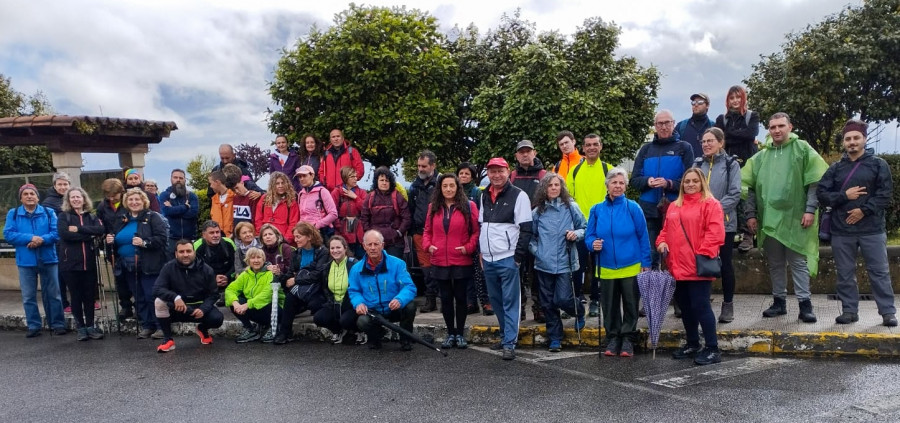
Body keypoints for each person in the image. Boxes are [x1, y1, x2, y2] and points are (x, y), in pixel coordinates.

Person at [743, 112, 828, 323]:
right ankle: (779, 302)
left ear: (790, 127)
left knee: (798, 261)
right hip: (769, 219)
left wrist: (810, 209)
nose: (777, 130)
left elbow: (814, 181)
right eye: (772, 127)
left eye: (781, 126)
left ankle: (804, 304)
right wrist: (751, 215)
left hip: (796, 218)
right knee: (775, 263)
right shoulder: (761, 157)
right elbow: (749, 187)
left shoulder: (803, 149)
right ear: (769, 131)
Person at [817, 119, 897, 326]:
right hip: (842, 230)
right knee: (845, 273)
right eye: (848, 139)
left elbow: (885, 194)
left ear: (864, 139)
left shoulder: (879, 165)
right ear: (843, 142)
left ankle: (888, 313)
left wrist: (863, 210)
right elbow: (822, 194)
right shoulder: (835, 169)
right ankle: (849, 311)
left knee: (879, 272)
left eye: (856, 138)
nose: (852, 142)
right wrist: (844, 195)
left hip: (872, 229)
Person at [656, 168, 725, 365]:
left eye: (695, 181)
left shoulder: (711, 204)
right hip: (676, 266)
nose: (691, 184)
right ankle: (693, 343)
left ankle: (713, 348)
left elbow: (715, 234)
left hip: (697, 266)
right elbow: (665, 230)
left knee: (701, 306)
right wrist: (661, 242)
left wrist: (700, 256)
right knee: (685, 308)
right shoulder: (674, 206)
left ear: (702, 182)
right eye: (687, 181)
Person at [585, 168, 651, 357]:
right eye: (614, 182)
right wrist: (592, 244)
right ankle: (613, 337)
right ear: (607, 185)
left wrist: (646, 262)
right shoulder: (596, 210)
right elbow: (589, 236)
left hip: (631, 264)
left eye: (621, 183)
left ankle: (628, 339)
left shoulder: (633, 208)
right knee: (609, 305)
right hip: (605, 266)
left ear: (626, 186)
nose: (618, 186)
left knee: (631, 305)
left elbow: (643, 236)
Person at [478, 157, 533, 361]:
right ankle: (504, 336)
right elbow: (482, 225)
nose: (496, 175)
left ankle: (510, 342)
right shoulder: (484, 195)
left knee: (511, 302)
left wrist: (517, 258)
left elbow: (526, 229)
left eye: (500, 171)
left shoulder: (519, 196)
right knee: (496, 302)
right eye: (492, 171)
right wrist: (482, 252)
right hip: (489, 259)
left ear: (508, 171)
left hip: (508, 258)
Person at [530, 173, 587, 352]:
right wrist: (537, 252)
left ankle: (578, 311)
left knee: (562, 298)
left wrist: (575, 234)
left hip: (566, 261)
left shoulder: (571, 207)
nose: (554, 188)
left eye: (557, 185)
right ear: (544, 189)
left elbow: (584, 227)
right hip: (543, 263)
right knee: (547, 303)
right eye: (550, 185)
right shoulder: (537, 212)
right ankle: (555, 338)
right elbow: (530, 237)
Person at [630, 110, 695, 268]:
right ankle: (652, 291)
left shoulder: (684, 148)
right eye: (660, 123)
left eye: (667, 123)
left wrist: (669, 184)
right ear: (655, 126)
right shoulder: (645, 150)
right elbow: (634, 181)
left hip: (675, 209)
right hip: (649, 210)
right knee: (651, 254)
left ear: (673, 124)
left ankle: (676, 291)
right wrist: (648, 182)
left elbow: (692, 183)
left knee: (675, 254)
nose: (664, 127)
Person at [423, 174, 480, 349]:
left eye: (452, 186)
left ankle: (460, 334)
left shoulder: (469, 206)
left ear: (457, 187)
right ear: (440, 188)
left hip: (461, 259)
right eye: (445, 186)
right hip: (440, 259)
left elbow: (476, 232)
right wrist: (428, 246)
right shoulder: (433, 207)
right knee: (446, 299)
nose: (448, 189)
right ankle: (450, 333)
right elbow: (427, 231)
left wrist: (468, 248)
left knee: (461, 298)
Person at [4, 184, 66, 338]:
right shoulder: (14, 214)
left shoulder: (48, 212)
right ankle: (33, 325)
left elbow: (57, 233)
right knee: (28, 296)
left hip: (48, 258)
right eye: (26, 194)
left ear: (38, 197)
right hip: (26, 261)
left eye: (32, 193)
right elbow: (9, 234)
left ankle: (57, 324)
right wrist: (30, 238)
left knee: (54, 294)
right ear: (21, 198)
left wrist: (41, 240)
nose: (29, 196)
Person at [106, 188, 168, 339]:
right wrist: (110, 241)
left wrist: (144, 242)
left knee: (151, 295)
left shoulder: (153, 217)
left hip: (149, 264)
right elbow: (116, 239)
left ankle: (161, 326)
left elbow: (162, 239)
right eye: (131, 200)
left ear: (143, 201)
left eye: (137, 200)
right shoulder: (122, 219)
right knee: (138, 296)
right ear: (126, 202)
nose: (134, 202)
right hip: (127, 266)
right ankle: (147, 325)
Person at [694, 128, 742, 323]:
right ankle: (702, 302)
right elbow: (690, 188)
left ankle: (728, 305)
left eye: (710, 141)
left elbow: (735, 193)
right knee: (702, 263)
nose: (706, 144)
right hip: (700, 225)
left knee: (725, 265)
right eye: (703, 141)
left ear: (721, 143)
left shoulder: (731, 164)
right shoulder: (697, 164)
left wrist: (712, 211)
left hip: (724, 224)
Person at [348, 230, 418, 351]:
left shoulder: (398, 264)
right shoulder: (356, 269)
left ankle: (405, 339)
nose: (373, 248)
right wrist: (358, 303)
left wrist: (399, 299)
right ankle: (376, 337)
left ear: (382, 245)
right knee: (362, 321)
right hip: (373, 310)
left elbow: (409, 287)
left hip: (394, 307)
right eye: (369, 245)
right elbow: (354, 291)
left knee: (410, 306)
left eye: (376, 244)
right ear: (364, 246)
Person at [566, 133, 611, 318]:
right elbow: (568, 199)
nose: (592, 147)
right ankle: (576, 301)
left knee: (599, 267)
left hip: (602, 227)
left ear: (600, 147)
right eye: (588, 145)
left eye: (595, 144)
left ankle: (595, 300)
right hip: (581, 228)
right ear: (583, 148)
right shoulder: (574, 171)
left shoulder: (609, 170)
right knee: (577, 266)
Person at [153, 240, 225, 353]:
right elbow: (157, 289)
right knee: (159, 302)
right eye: (181, 252)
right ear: (176, 254)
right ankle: (168, 339)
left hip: (199, 308)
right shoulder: (168, 268)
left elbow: (213, 294)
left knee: (217, 319)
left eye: (188, 251)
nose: (185, 254)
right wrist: (175, 297)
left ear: (194, 252)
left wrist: (203, 309)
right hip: (178, 308)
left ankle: (202, 329)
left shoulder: (207, 269)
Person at [715, 85, 761, 253]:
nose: (735, 101)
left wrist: (730, 135)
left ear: (744, 99)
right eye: (731, 98)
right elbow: (720, 138)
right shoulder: (722, 119)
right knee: (729, 197)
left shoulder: (752, 116)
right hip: (727, 164)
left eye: (738, 97)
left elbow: (751, 134)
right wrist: (738, 135)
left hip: (747, 163)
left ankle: (748, 235)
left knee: (746, 198)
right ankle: (729, 233)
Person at [57, 187, 105, 341]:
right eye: (73, 197)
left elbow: (100, 229)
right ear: (68, 200)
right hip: (69, 264)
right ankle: (81, 327)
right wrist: (88, 235)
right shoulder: (64, 217)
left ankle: (90, 326)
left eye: (79, 197)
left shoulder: (91, 217)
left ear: (84, 199)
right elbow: (65, 235)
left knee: (89, 296)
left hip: (89, 264)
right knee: (76, 296)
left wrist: (79, 229)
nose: (76, 199)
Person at [510, 140, 547, 322]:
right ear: (516, 155)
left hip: (538, 232)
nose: (525, 155)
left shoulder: (544, 175)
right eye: (521, 152)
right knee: (516, 271)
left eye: (528, 151)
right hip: (516, 233)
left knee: (537, 272)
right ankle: (520, 308)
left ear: (535, 153)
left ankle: (539, 307)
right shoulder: (512, 176)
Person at [275, 222, 329, 344]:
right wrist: (280, 275)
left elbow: (317, 275)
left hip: (316, 289)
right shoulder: (296, 253)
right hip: (300, 289)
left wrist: (296, 279)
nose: (296, 240)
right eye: (294, 237)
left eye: (298, 236)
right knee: (289, 299)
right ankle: (285, 333)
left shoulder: (322, 251)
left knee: (315, 305)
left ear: (309, 236)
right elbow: (290, 273)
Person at [313, 235, 365, 345]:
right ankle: (338, 331)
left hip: (351, 304)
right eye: (332, 248)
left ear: (345, 248)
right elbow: (325, 288)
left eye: (338, 247)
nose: (335, 250)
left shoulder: (354, 264)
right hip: (334, 303)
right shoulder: (326, 267)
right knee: (319, 317)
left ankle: (360, 332)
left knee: (346, 320)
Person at [227, 246, 283, 344]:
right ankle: (250, 329)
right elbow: (230, 289)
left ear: (263, 259)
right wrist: (236, 303)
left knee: (268, 304)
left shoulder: (271, 273)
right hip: (255, 307)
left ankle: (275, 327)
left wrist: (247, 305)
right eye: (252, 258)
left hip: (275, 309)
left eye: (258, 257)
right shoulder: (245, 274)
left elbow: (267, 295)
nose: (256, 260)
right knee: (235, 302)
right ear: (248, 260)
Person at [96, 178, 133, 320]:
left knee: (133, 277)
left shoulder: (128, 202)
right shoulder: (102, 207)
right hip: (113, 249)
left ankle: (139, 305)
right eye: (109, 196)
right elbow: (100, 226)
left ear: (121, 192)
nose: (111, 199)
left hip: (129, 246)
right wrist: (104, 236)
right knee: (119, 279)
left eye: (114, 195)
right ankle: (125, 306)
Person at [409, 150, 439, 313]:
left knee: (441, 265)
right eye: (419, 166)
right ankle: (430, 299)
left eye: (424, 166)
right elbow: (411, 209)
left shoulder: (441, 184)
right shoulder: (414, 186)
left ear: (433, 166)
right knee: (426, 268)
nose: (420, 169)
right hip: (419, 232)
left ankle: (446, 299)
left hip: (438, 232)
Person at [360, 166, 411, 258]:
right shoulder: (370, 197)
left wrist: (399, 232)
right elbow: (364, 217)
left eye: (386, 181)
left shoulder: (398, 197)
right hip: (375, 243)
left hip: (395, 242)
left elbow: (406, 217)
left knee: (393, 267)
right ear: (377, 181)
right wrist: (369, 233)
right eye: (381, 180)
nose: (384, 183)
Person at [41, 172, 72, 313]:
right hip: (58, 244)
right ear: (54, 186)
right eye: (60, 184)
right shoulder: (48, 202)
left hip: (73, 243)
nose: (63, 187)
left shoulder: (74, 198)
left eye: (65, 184)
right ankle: (64, 303)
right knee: (60, 275)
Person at [193, 220, 236, 306]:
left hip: (228, 279)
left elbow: (236, 264)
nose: (215, 235)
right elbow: (195, 269)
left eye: (217, 232)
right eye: (211, 233)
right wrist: (213, 279)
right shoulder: (197, 246)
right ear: (204, 235)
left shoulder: (229, 243)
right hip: (208, 280)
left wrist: (227, 277)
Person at [160, 169, 199, 258]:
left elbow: (193, 213)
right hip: (171, 239)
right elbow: (166, 212)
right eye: (175, 177)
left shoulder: (192, 196)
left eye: (181, 178)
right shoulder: (164, 195)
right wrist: (185, 207)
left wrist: (173, 210)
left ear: (185, 180)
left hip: (189, 238)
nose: (178, 180)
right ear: (171, 179)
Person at [255, 171, 300, 245]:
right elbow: (258, 219)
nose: (280, 186)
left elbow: (293, 223)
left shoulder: (291, 201)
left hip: (282, 241)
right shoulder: (264, 199)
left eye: (283, 183)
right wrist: (261, 236)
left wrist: (286, 240)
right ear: (272, 185)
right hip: (265, 239)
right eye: (277, 183)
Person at [331, 166, 367, 259]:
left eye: (356, 176)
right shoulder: (336, 192)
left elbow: (366, 209)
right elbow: (332, 211)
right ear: (345, 178)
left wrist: (356, 197)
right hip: (342, 232)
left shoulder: (361, 192)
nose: (356, 179)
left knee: (361, 258)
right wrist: (339, 226)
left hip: (358, 232)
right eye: (352, 177)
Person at [296, 165, 338, 239]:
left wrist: (316, 225)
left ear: (312, 175)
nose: (302, 179)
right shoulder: (301, 194)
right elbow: (302, 215)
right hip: (305, 232)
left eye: (304, 176)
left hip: (321, 232)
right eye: (300, 177)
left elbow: (333, 214)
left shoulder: (322, 191)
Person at [675, 93, 715, 160]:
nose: (696, 105)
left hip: (709, 168)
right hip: (687, 169)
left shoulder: (714, 127)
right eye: (693, 102)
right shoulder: (681, 126)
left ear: (707, 105)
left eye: (700, 102)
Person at [208, 170, 235, 238]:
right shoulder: (214, 200)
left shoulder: (234, 197)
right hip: (218, 238)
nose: (210, 186)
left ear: (217, 182)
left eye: (211, 183)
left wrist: (233, 234)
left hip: (233, 238)